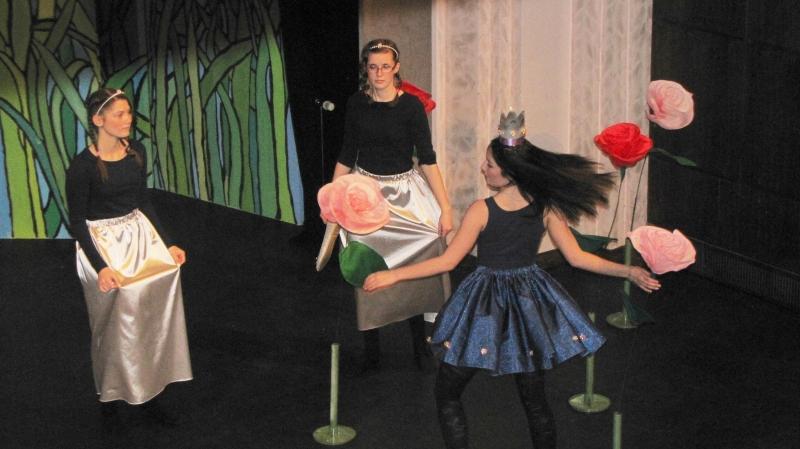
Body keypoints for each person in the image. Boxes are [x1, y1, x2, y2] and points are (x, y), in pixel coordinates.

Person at [364, 111, 660, 448]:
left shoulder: (482, 209)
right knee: (535, 401)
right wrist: (628, 271)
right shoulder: (545, 207)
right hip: (527, 305)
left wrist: (393, 274)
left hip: (484, 305)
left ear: (509, 172)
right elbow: (578, 258)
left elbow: (448, 261)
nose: (483, 168)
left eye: (489, 164)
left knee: (447, 393)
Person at [66, 88, 193, 427]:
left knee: (149, 315)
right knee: (113, 325)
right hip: (102, 244)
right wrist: (101, 267)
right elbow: (77, 222)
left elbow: (143, 201)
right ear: (99, 120)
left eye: (129, 113)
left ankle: (149, 391)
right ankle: (109, 395)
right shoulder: (82, 167)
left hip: (138, 237)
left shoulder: (136, 151)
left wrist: (167, 243)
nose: (128, 120)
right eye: (119, 114)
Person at [330, 38, 453, 372]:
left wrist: (446, 208)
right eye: (373, 67)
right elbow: (347, 153)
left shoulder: (411, 107)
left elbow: (427, 159)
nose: (379, 73)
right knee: (366, 267)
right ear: (366, 69)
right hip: (365, 195)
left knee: (421, 255)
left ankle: (420, 345)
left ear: (396, 68)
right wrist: (331, 198)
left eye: (385, 66)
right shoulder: (356, 103)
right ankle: (372, 350)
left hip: (405, 194)